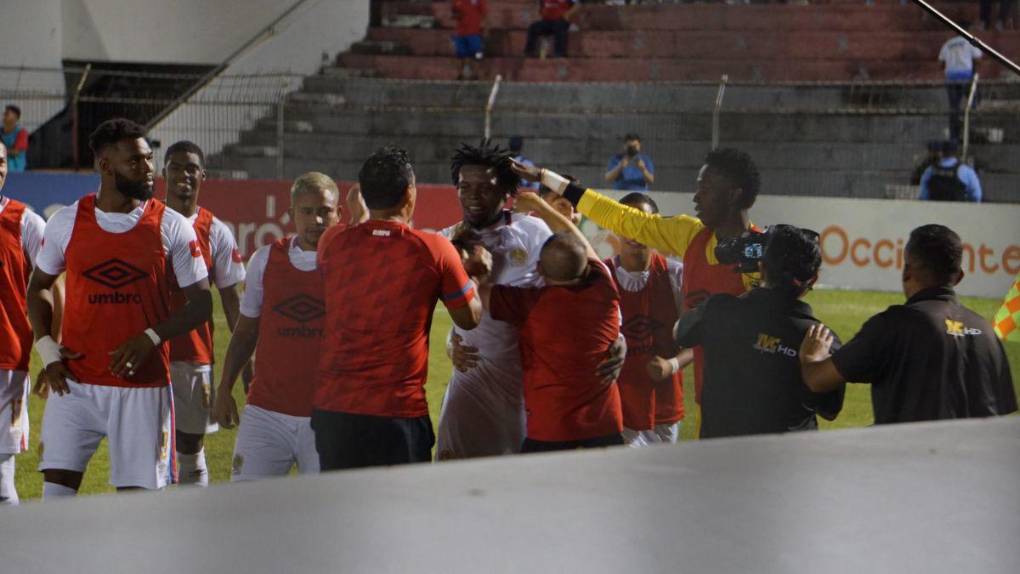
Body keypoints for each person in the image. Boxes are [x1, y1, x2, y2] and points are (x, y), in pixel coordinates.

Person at [27, 118, 212, 497]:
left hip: (141, 386)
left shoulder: (171, 226)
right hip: (74, 385)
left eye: (148, 159)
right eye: (136, 161)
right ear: (105, 165)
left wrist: (151, 336)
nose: (148, 169)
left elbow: (201, 303)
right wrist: (47, 349)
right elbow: (39, 287)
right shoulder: (66, 223)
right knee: (54, 497)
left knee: (137, 503)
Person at [538, 148, 763, 437]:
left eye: (705, 189)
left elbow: (785, 302)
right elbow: (622, 217)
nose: (695, 197)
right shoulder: (692, 235)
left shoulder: (762, 254)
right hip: (710, 401)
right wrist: (548, 179)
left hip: (753, 404)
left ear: (733, 194)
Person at [313, 146, 485, 470]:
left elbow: (360, 248)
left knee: (340, 515)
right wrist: (473, 274)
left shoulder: (332, 243)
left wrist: (358, 218)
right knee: (401, 516)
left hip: (334, 411)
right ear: (409, 193)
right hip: (397, 414)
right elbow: (470, 317)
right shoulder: (434, 249)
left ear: (363, 194)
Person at [800, 224, 1017, 424]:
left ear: (907, 271)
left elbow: (818, 379)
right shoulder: (987, 333)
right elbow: (1000, 420)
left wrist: (811, 358)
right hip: (970, 465)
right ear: (958, 277)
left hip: (908, 463)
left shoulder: (894, 325)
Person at [212, 173, 342, 481]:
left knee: (325, 516)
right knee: (246, 512)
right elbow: (246, 332)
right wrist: (224, 388)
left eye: (325, 210)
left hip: (329, 416)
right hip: (266, 414)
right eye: (307, 211)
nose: (317, 219)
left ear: (339, 214)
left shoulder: (349, 264)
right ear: (292, 212)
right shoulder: (266, 260)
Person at [480, 187, 624, 453]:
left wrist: (474, 260)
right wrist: (541, 206)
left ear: (539, 269)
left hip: (551, 428)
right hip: (606, 426)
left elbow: (478, 292)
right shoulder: (603, 286)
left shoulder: (529, 303)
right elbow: (575, 238)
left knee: (540, 494)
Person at [435, 141, 553, 460]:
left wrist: (616, 334)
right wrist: (450, 341)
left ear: (505, 192)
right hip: (468, 383)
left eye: (484, 187)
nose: (473, 195)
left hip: (520, 390)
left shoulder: (533, 234)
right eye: (464, 187)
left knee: (513, 492)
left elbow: (571, 293)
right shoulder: (446, 242)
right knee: (449, 481)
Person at [675, 225, 845, 438]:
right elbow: (830, 409)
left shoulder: (719, 310)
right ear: (813, 279)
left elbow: (681, 332)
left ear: (762, 267)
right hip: (787, 465)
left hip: (719, 463)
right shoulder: (823, 341)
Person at [161, 140, 247, 486]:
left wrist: (244, 373)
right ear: (162, 173)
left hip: (195, 356)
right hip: (150, 353)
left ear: (203, 176)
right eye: (176, 167)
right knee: (148, 446)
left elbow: (235, 305)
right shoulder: (147, 221)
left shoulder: (217, 231)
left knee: (190, 448)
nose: (184, 174)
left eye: (191, 168)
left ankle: (193, 521)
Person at [605, 193, 693, 446]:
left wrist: (672, 365)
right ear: (615, 226)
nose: (635, 231)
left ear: (656, 227)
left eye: (643, 222)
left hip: (664, 408)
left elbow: (699, 341)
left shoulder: (677, 275)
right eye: (627, 222)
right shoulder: (601, 276)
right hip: (616, 408)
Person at [0, 144, 46, 504]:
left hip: (7, 364)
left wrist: (51, 352)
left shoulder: (25, 222)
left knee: (1, 476)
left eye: (1, 162)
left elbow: (56, 287)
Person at [938, 23, 982, 141]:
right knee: (973, 101)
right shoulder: (969, 41)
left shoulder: (948, 44)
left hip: (951, 78)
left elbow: (941, 64)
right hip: (965, 77)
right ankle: (971, 126)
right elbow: (978, 59)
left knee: (954, 108)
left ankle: (954, 137)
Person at [1, 105, 29, 173]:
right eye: (4, 114)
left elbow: (16, 152)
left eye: (7, 114)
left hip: (16, 168)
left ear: (15, 117)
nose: (4, 116)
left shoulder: (22, 133)